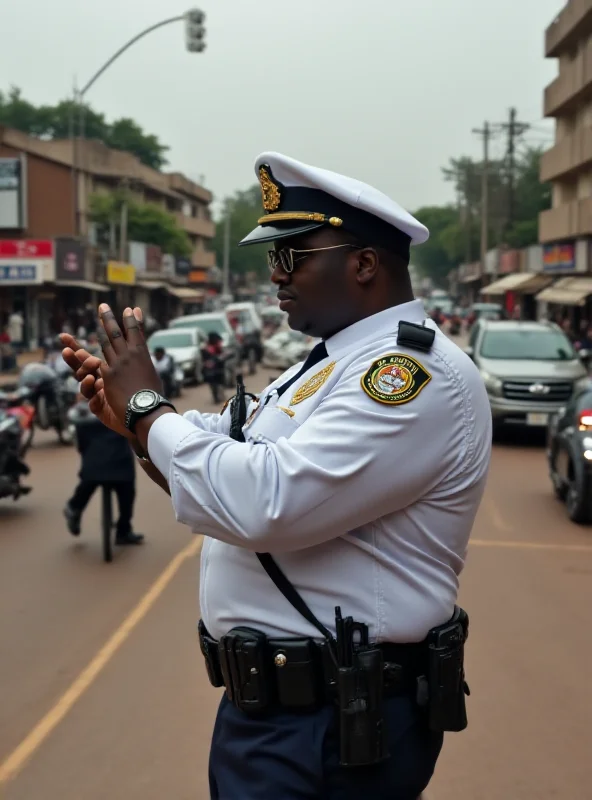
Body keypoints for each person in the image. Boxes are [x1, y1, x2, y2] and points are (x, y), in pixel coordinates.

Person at [61, 152, 492, 800]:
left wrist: (148, 409)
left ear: (365, 264)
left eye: (292, 257)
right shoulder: (327, 365)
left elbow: (266, 500)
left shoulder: (407, 376)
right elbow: (223, 461)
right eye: (272, 258)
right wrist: (134, 423)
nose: (274, 277)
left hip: (333, 723)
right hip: (283, 715)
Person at [64, 394, 143, 545]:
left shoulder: (83, 406)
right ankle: (123, 530)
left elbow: (80, 441)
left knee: (88, 481)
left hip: (94, 460)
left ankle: (74, 508)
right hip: (120, 460)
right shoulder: (121, 399)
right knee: (127, 491)